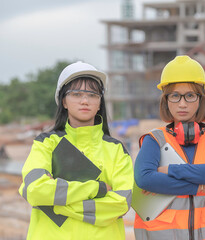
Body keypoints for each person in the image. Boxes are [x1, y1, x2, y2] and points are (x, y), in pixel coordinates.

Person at [18, 61, 134, 239]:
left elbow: (121, 204)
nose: (85, 101)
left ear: (99, 102)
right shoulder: (46, 143)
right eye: (76, 94)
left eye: (93, 95)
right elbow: (34, 190)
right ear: (63, 101)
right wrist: (97, 189)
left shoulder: (116, 150)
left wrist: (55, 204)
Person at [133, 55, 205, 239]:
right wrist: (200, 188)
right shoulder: (154, 139)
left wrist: (169, 170)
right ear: (166, 100)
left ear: (200, 99)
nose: (182, 104)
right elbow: (145, 179)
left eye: (189, 95)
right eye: (175, 96)